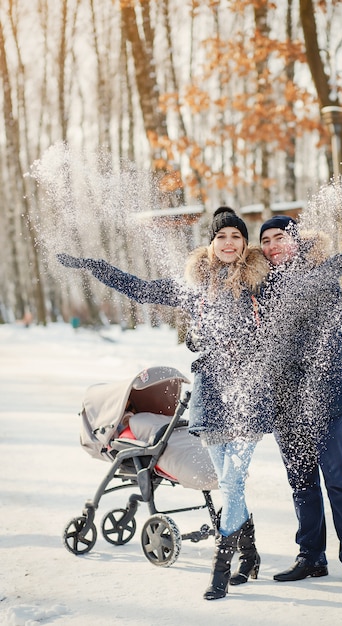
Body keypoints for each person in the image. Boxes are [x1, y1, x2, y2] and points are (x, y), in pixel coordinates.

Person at [57, 207, 275, 600]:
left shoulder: (262, 285)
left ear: (245, 245)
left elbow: (302, 285)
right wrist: (94, 266)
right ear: (211, 244)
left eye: (236, 237)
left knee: (231, 481)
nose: (228, 243)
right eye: (222, 236)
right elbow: (140, 289)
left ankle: (220, 573)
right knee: (229, 480)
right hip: (211, 393)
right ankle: (251, 554)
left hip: (247, 393)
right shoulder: (195, 288)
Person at [259, 214, 342, 586]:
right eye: (265, 241)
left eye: (280, 237)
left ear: (297, 240)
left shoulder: (321, 274)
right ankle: (310, 556)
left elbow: (317, 329)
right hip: (283, 397)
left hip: (322, 392)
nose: (272, 246)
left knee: (337, 478)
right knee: (301, 482)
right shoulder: (261, 285)